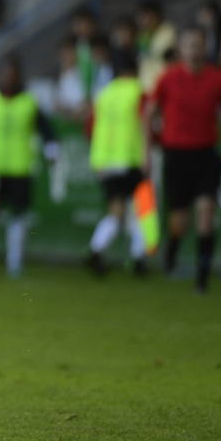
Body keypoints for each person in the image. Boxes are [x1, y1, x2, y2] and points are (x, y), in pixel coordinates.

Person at [147, 27, 221, 293]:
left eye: (198, 45)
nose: (194, 50)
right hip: (176, 154)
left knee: (206, 212)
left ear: (205, 47)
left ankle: (202, 276)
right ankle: (171, 255)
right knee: (179, 220)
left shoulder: (219, 79)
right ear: (181, 49)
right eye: (189, 45)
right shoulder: (168, 78)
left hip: (206, 154)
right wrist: (146, 150)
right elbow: (149, 113)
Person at [0, 58, 59, 278]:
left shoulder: (29, 101)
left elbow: (45, 127)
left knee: (18, 215)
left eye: (13, 75)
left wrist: (51, 147)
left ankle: (14, 262)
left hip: (20, 166)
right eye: (5, 74)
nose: (8, 79)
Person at [86, 52, 150, 277]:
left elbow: (90, 127)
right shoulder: (137, 92)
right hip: (130, 159)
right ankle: (137, 257)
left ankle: (98, 249)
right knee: (140, 209)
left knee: (116, 209)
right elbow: (146, 124)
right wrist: (146, 155)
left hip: (103, 160)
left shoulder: (103, 95)